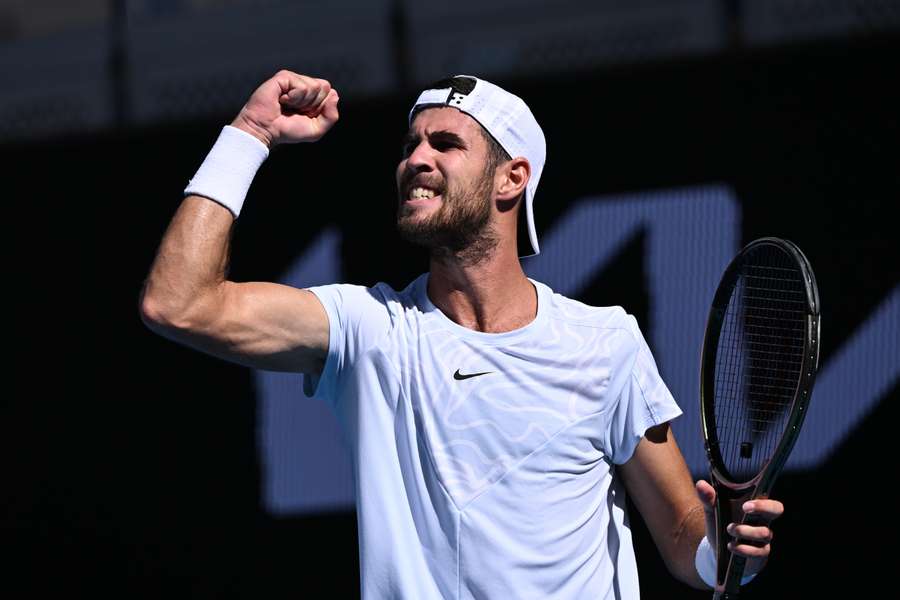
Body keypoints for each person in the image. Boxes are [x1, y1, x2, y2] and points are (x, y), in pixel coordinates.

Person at [139, 70, 784, 599]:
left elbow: (684, 538)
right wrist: (250, 132)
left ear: (513, 178)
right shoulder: (371, 330)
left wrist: (731, 550)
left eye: (445, 144)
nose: (414, 160)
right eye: (410, 145)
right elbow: (180, 304)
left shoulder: (605, 342)